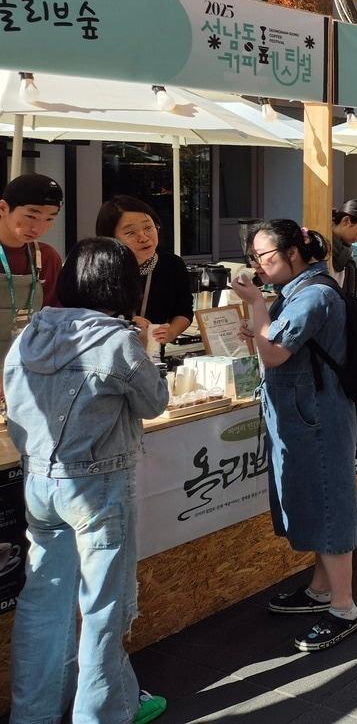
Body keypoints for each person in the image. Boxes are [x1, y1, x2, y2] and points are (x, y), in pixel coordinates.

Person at [4, 238, 170, 724]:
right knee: (102, 609)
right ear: (123, 285)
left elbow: (13, 397)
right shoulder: (118, 340)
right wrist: (151, 348)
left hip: (39, 481)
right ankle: (102, 713)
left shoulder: (30, 333)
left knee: (42, 604)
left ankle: (33, 714)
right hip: (98, 486)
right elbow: (154, 401)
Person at [232, 221, 357, 653]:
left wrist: (254, 304)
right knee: (313, 498)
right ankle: (322, 589)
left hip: (316, 417)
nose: (260, 268)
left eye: (266, 258)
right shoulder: (299, 292)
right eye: (256, 259)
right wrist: (260, 314)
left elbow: (272, 353)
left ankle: (344, 606)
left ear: (295, 253)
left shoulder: (314, 294)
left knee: (328, 501)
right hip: (306, 415)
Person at [96, 195, 194, 347]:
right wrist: (128, 323)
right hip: (110, 354)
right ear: (110, 238)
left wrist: (172, 331)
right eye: (130, 233)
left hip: (153, 354)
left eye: (148, 228)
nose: (143, 237)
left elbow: (184, 310)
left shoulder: (172, 264)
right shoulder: (100, 269)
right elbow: (88, 318)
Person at [0, 173, 63, 364]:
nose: (38, 227)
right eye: (31, 215)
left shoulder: (47, 257)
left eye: (49, 219)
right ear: (3, 208)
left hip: (28, 367)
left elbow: (55, 317)